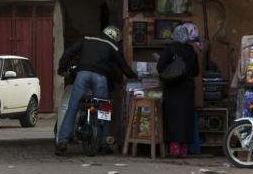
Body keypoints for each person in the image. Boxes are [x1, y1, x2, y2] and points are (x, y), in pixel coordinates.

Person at [55, 25, 137, 156]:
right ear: (115, 38)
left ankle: (63, 141)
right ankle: (104, 143)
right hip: (100, 77)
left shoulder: (87, 37)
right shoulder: (112, 45)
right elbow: (123, 66)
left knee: (73, 106)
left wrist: (62, 67)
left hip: (82, 74)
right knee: (103, 110)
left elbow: (70, 51)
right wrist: (135, 78)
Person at [156, 24, 199, 158]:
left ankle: (174, 148)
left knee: (173, 118)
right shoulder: (192, 51)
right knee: (186, 118)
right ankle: (184, 150)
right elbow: (196, 72)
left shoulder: (171, 49)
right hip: (188, 89)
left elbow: (160, 67)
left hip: (173, 89)